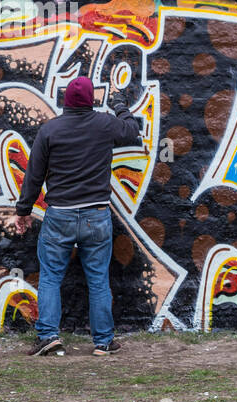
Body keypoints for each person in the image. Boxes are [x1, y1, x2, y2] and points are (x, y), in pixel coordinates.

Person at [10, 76, 140, 356]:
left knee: (50, 278)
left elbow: (33, 175)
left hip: (60, 217)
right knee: (98, 280)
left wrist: (23, 211)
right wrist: (120, 106)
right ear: (92, 99)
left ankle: (48, 336)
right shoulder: (105, 124)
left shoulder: (50, 130)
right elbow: (132, 131)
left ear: (66, 100)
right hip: (97, 215)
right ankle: (103, 342)